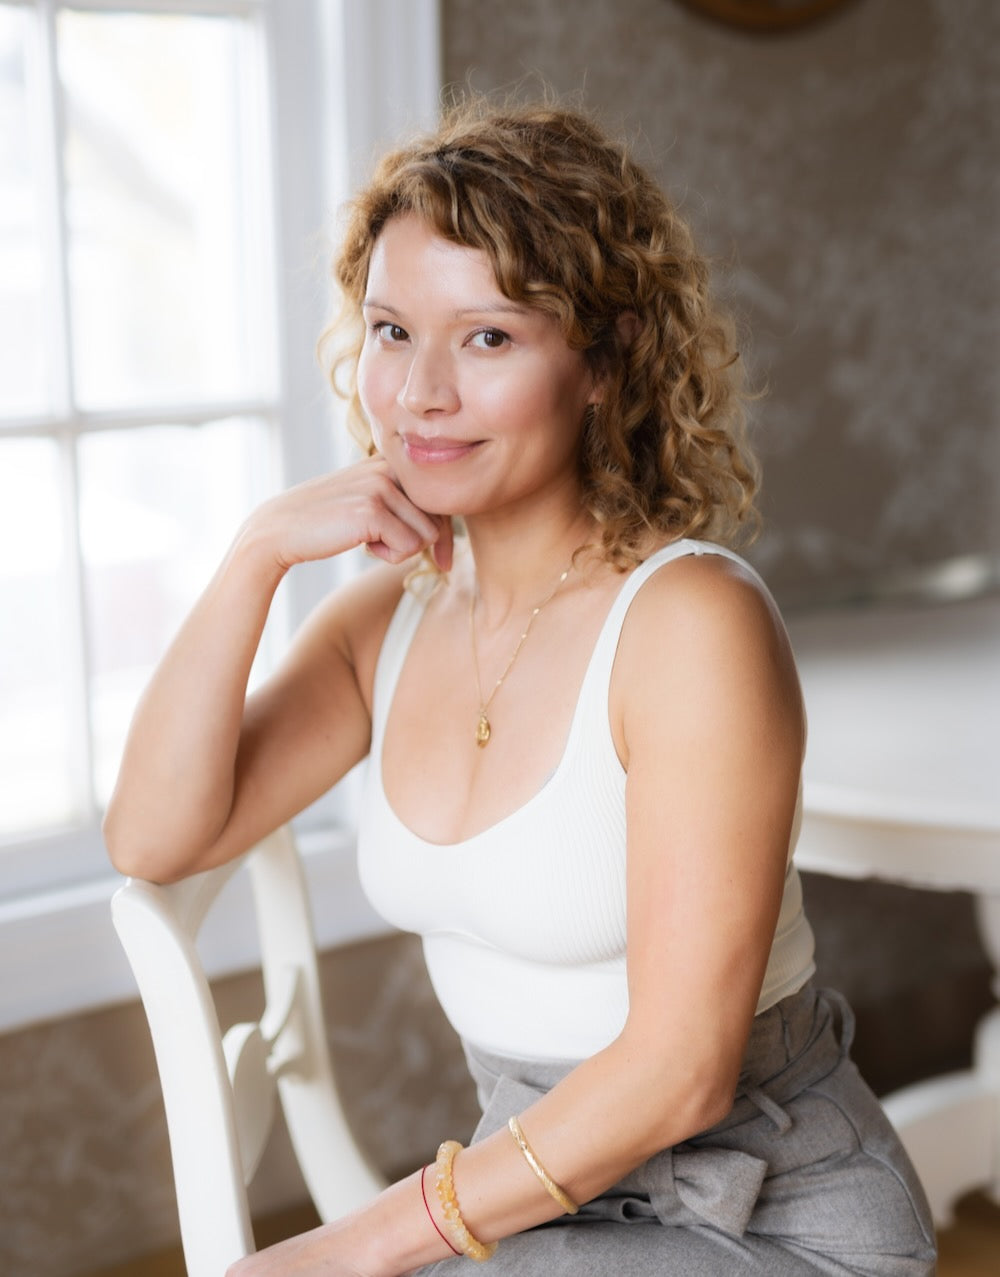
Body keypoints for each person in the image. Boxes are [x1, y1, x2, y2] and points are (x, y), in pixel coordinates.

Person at [104, 96, 936, 1276]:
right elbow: (153, 835)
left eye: (488, 337)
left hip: (766, 1216)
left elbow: (681, 1070)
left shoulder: (690, 622)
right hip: (532, 1201)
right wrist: (254, 554)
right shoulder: (378, 627)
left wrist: (347, 1248)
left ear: (604, 363)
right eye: (392, 331)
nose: (420, 393)